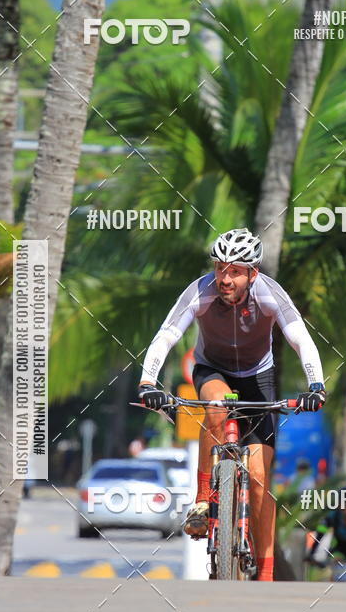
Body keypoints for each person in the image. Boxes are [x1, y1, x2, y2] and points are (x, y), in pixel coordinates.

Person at [137, 228, 326, 581]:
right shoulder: (200, 291)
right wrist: (148, 382)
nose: (224, 279)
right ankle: (202, 502)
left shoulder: (269, 293)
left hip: (259, 378)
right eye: (220, 268)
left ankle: (265, 573)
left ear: (252, 274)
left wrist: (316, 386)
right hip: (213, 370)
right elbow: (167, 335)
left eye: (235, 272)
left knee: (259, 479)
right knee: (217, 406)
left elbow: (300, 338)